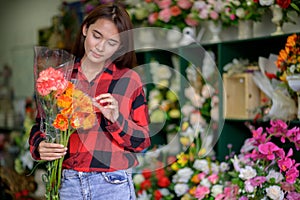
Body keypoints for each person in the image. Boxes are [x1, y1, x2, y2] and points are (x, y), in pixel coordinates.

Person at [29, 3, 150, 199]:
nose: (100, 47)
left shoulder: (128, 80)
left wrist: (116, 119)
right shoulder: (58, 77)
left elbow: (142, 141)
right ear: (85, 29)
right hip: (67, 183)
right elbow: (40, 125)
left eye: (112, 43)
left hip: (112, 185)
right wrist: (39, 146)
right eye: (97, 36)